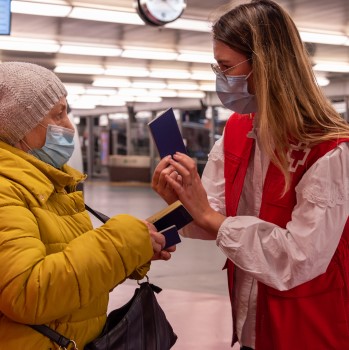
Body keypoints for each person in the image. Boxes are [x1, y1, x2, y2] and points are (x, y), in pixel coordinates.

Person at [152, 1, 349, 349]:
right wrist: (179, 202)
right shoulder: (237, 131)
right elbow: (212, 217)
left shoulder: (329, 149)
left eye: (227, 67)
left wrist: (208, 215)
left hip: (309, 327)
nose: (221, 79)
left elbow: (297, 258)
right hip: (250, 324)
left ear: (267, 65)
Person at [0, 61, 175, 349]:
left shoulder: (51, 189)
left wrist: (131, 252)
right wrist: (121, 243)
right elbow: (28, 293)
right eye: (58, 115)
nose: (69, 126)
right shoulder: (6, 191)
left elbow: (70, 281)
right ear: (19, 127)